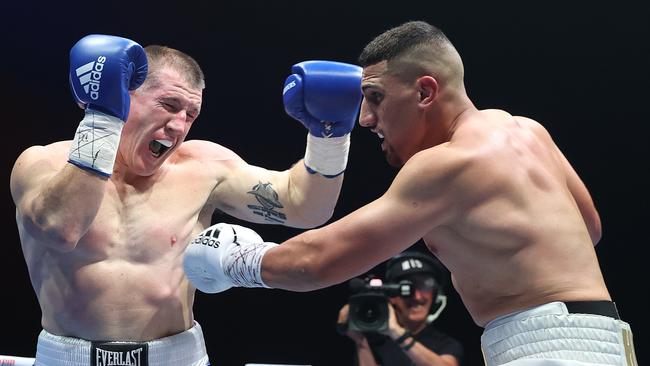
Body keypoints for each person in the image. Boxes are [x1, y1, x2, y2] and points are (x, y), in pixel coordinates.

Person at [182, 20, 639, 366]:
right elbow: (590, 229)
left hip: (548, 348)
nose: (364, 119)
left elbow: (321, 261)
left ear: (425, 91)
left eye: (376, 97)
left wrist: (238, 263)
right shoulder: (526, 130)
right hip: (602, 338)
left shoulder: (449, 164)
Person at [10, 34, 363, 366]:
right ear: (124, 95)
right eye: (169, 105)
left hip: (178, 357)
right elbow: (61, 228)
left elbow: (306, 207)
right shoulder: (44, 163)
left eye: (190, 114)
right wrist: (102, 118)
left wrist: (329, 138)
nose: (179, 126)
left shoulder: (202, 168)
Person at [337, 251, 464, 366]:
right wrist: (360, 340)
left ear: (435, 295)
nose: (417, 297)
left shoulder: (446, 345)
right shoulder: (375, 343)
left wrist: (396, 332)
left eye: (425, 286)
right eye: (407, 289)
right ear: (392, 295)